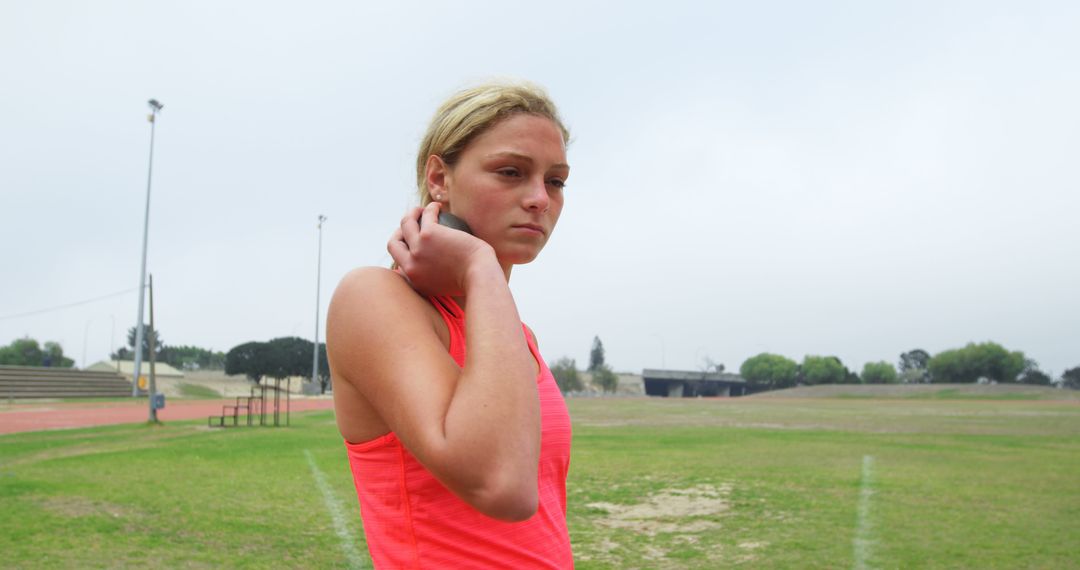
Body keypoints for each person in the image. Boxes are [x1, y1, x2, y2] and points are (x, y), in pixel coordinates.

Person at [327, 81, 574, 568]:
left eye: (556, 181)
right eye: (511, 172)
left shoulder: (513, 336)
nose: (540, 199)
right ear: (439, 178)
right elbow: (502, 485)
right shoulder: (373, 299)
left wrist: (482, 283)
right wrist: (480, 265)